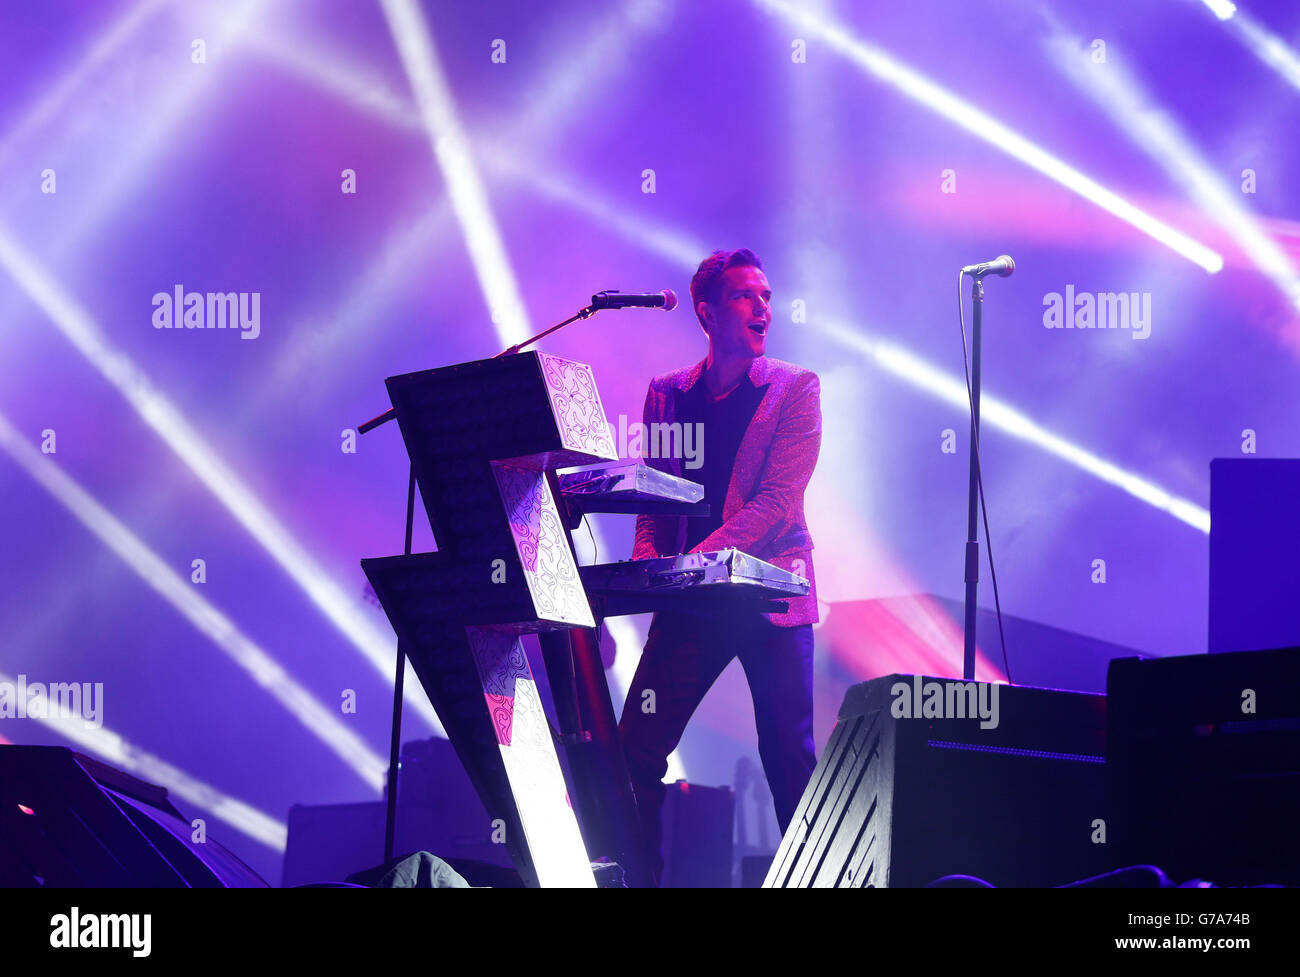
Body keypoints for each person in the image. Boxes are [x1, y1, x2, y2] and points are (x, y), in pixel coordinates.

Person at [617, 248, 822, 880]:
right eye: (746, 296)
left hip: (769, 599)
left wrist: (692, 563)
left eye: (766, 295)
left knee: (788, 760)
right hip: (694, 604)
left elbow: (777, 502)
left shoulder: (796, 388)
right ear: (706, 313)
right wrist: (650, 565)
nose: (764, 306)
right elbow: (652, 497)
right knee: (634, 752)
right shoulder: (666, 394)